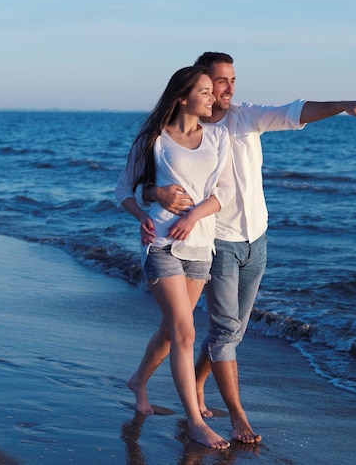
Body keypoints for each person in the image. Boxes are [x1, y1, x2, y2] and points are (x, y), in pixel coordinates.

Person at [140, 52, 356, 444]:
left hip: (257, 240)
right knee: (218, 330)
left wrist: (341, 106)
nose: (229, 88)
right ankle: (236, 417)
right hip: (213, 242)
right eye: (220, 81)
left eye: (233, 80)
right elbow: (146, 177)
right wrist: (152, 199)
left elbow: (295, 110)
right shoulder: (186, 128)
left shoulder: (245, 117)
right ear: (201, 85)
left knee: (227, 331)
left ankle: (184, 384)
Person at [114, 65, 235, 449]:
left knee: (170, 332)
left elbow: (226, 193)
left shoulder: (218, 137)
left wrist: (195, 214)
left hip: (201, 246)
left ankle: (138, 381)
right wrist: (146, 208)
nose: (213, 97)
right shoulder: (154, 139)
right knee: (185, 331)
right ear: (182, 97)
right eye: (204, 91)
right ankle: (196, 422)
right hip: (161, 244)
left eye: (211, 92)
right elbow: (123, 190)